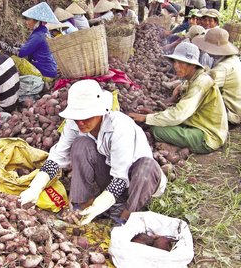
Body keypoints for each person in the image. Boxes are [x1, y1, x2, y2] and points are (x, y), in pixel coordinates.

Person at [19, 79, 167, 225]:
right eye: (77, 117)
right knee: (81, 145)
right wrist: (35, 188)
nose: (80, 122)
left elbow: (121, 178)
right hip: (110, 179)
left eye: (86, 116)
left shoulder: (120, 127)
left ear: (100, 111)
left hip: (139, 184)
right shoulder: (74, 124)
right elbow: (57, 158)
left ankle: (125, 217)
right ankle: (81, 207)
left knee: (146, 166)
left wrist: (99, 206)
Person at [129, 42, 228, 154]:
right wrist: (154, 115)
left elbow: (178, 115)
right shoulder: (193, 80)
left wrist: (146, 118)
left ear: (193, 65)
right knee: (160, 122)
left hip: (209, 136)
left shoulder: (200, 83)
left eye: (181, 62)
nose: (176, 66)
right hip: (198, 124)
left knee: (157, 130)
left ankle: (178, 148)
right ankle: (177, 146)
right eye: (175, 61)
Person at [192, 28, 241, 125]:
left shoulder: (224, 67)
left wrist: (180, 86)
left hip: (230, 115)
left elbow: (201, 85)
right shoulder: (233, 59)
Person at [13, 2, 59, 82]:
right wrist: (20, 46)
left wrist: (7, 48)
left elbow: (22, 53)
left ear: (37, 21)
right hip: (50, 70)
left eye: (28, 19)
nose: (26, 22)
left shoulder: (38, 36)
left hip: (45, 74)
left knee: (15, 59)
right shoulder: (44, 32)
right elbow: (33, 47)